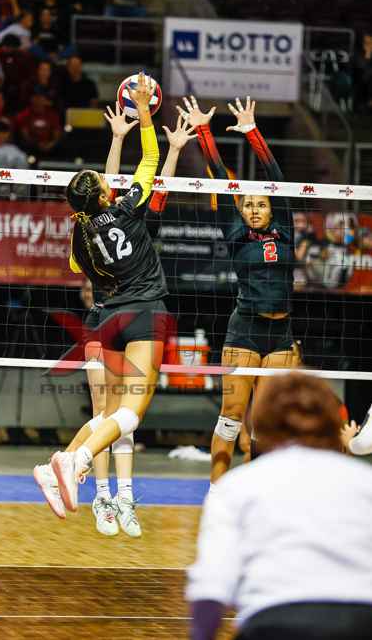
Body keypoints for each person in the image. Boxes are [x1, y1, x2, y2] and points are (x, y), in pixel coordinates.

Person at [34, 74, 187, 518]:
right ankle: (78, 463)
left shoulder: (78, 237)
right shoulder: (129, 209)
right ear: (105, 194)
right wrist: (145, 111)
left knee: (109, 414)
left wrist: (117, 139)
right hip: (145, 312)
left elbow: (77, 265)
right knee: (131, 414)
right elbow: (151, 157)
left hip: (107, 320)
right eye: (102, 181)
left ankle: (57, 465)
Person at [76, 104, 196, 537]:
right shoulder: (113, 216)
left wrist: (173, 150)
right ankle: (101, 497)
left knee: (123, 416)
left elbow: (147, 185)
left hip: (130, 314)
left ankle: (124, 497)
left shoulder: (135, 217)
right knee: (106, 412)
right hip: (104, 315)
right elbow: (119, 186)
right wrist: (120, 138)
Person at [187, 372, 372, 640]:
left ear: (262, 423)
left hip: (275, 619)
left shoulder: (238, 486)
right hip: (359, 620)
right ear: (332, 422)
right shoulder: (364, 480)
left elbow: (211, 584)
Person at [179, 95, 296, 485]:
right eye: (249, 205)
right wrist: (203, 131)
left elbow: (276, 176)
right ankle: (217, 492)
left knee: (266, 422)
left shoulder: (286, 230)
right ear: (242, 210)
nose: (255, 209)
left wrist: (251, 131)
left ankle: (257, 493)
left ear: (271, 208)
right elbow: (218, 175)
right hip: (244, 330)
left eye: (262, 204)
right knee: (231, 416)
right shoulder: (235, 232)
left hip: (281, 335)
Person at [15, 89, 62, 157]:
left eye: (40, 97)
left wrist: (51, 144)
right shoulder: (24, 115)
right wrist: (37, 144)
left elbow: (56, 134)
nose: (38, 100)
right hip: (31, 148)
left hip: (50, 147)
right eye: (35, 97)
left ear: (45, 100)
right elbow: (26, 136)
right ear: (31, 99)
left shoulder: (53, 115)